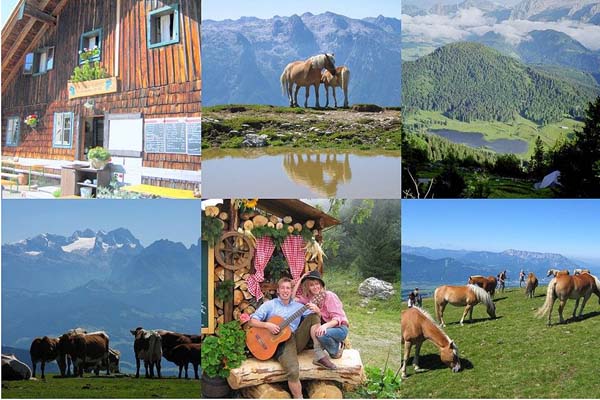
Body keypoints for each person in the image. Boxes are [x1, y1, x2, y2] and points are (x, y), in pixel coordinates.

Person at [248, 277, 321, 398]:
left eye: (288, 288)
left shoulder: (298, 306)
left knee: (314, 317)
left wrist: (318, 311)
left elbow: (314, 318)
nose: (285, 291)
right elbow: (252, 321)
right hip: (279, 343)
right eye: (282, 288)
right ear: (278, 290)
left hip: (295, 338)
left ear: (291, 290)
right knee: (293, 371)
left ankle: (319, 353)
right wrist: (267, 325)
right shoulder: (269, 305)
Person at [292, 271, 349, 370]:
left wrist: (324, 324)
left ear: (321, 285)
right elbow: (293, 299)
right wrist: (301, 279)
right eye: (311, 285)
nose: (315, 287)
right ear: (308, 287)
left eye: (317, 284)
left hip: (339, 328)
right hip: (324, 330)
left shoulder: (329, 296)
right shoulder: (310, 299)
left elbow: (338, 319)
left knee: (321, 333)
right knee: (318, 329)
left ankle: (335, 349)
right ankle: (332, 350)